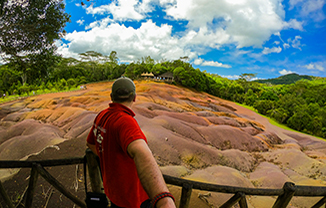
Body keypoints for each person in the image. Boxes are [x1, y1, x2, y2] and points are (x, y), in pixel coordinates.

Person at [86, 77, 176, 208]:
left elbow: (91, 144)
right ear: (134, 97)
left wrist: (109, 159)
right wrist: (164, 200)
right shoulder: (126, 122)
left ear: (111, 96)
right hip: (132, 197)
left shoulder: (102, 115)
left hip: (113, 190)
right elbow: (141, 153)